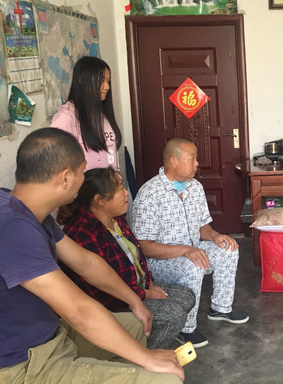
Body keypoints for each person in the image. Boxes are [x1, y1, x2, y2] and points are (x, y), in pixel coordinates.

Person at [0, 128, 183, 383]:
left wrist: (135, 301)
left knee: (136, 326)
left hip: (52, 336)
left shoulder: (24, 209)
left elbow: (86, 263)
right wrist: (146, 358)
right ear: (66, 178)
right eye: (81, 172)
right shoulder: (12, 226)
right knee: (166, 380)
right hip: (24, 364)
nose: (82, 180)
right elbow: (78, 311)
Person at [58, 167, 195, 349]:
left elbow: (138, 257)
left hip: (136, 289)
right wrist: (145, 295)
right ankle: (138, 356)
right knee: (174, 315)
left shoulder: (117, 220)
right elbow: (102, 292)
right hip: (112, 304)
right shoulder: (82, 233)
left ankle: (147, 338)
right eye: (120, 189)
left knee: (186, 296)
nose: (126, 193)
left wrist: (150, 284)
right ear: (100, 200)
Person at [131, 138, 249, 348]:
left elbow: (203, 227)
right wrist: (185, 251)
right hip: (161, 261)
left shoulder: (195, 187)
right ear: (173, 161)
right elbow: (144, 247)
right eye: (192, 158)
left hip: (193, 250)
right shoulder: (149, 193)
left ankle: (220, 308)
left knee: (227, 249)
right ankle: (186, 328)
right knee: (193, 264)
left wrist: (215, 236)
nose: (197, 164)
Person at [51, 56, 121, 171]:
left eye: (108, 81)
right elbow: (58, 165)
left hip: (110, 181)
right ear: (81, 81)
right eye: (101, 80)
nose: (107, 87)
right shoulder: (66, 116)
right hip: (88, 183)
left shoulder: (100, 113)